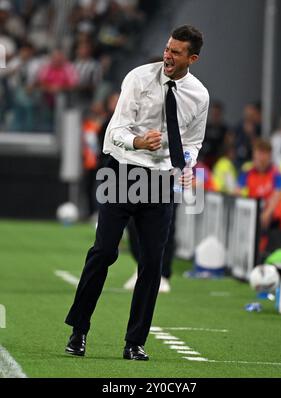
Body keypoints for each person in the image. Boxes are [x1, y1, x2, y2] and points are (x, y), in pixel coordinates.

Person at [64, 25, 209, 361]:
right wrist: (138, 141)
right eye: (167, 48)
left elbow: (193, 142)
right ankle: (79, 331)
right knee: (103, 252)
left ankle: (135, 342)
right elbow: (115, 130)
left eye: (176, 52)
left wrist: (184, 165)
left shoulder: (199, 96)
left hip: (159, 180)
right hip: (122, 170)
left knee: (151, 264)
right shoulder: (138, 78)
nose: (168, 55)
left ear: (193, 58)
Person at [236, 139, 281, 255]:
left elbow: (276, 195)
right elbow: (237, 192)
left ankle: (262, 251)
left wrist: (267, 213)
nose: (260, 157)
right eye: (258, 153)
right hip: (252, 210)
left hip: (270, 213)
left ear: (269, 155)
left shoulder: (276, 174)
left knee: (270, 215)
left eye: (264, 154)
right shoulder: (247, 172)